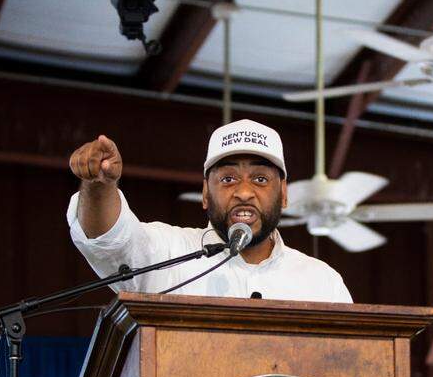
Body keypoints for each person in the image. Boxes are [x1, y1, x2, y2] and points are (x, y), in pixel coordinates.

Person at [67, 118, 352, 302]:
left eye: (260, 179)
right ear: (205, 193)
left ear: (284, 194)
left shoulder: (322, 281)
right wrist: (99, 185)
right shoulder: (167, 253)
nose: (243, 192)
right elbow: (107, 239)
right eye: (228, 179)